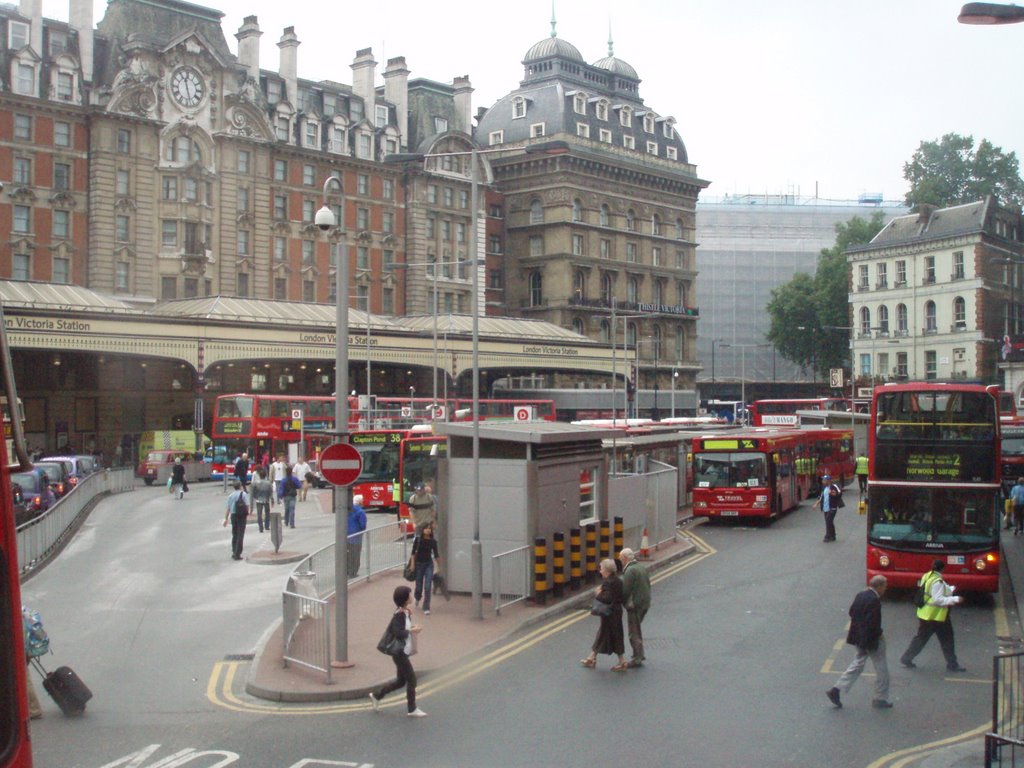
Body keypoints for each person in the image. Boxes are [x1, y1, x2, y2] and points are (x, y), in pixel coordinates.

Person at [827, 575, 892, 709]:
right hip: (871, 640)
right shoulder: (874, 600)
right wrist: (879, 635)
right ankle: (880, 698)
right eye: (885, 586)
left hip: (859, 637)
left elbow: (852, 612)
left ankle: (837, 689)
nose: (885, 589)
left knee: (857, 664)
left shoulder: (861, 595)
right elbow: (873, 622)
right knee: (882, 669)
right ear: (879, 587)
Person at [899, 560, 967, 673]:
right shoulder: (938, 581)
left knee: (921, 638)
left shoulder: (928, 576)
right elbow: (937, 599)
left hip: (926, 615)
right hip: (937, 616)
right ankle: (952, 665)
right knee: (947, 640)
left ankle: (907, 658)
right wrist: (955, 599)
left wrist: (949, 589)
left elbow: (929, 592)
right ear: (943, 569)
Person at [368, 585, 426, 717]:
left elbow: (404, 629)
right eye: (410, 594)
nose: (412, 596)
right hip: (399, 654)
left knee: (401, 681)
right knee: (412, 680)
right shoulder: (399, 615)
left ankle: (377, 695)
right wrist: (411, 630)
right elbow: (398, 632)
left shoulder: (405, 612)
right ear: (405, 598)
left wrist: (412, 627)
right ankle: (412, 709)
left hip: (402, 652)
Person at [580, 558, 628, 671]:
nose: (600, 571)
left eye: (601, 568)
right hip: (616, 611)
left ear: (607, 570)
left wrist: (598, 594)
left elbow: (607, 598)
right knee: (605, 634)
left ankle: (622, 661)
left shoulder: (608, 582)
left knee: (613, 635)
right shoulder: (618, 580)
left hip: (609, 612)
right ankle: (592, 657)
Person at [618, 547, 651, 668]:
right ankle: (639, 654)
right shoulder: (641, 567)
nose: (620, 561)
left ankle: (637, 658)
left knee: (634, 632)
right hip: (644, 603)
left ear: (625, 558)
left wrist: (621, 602)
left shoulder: (630, 571)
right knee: (637, 628)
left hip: (635, 605)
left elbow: (626, 590)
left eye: (621, 559)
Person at [410, 523, 441, 614]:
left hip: (429, 564)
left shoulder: (433, 542)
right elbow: (413, 553)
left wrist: (439, 566)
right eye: (426, 528)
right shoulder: (418, 540)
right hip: (419, 564)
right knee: (419, 586)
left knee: (427, 586)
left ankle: (426, 607)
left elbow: (436, 555)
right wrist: (412, 565)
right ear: (422, 530)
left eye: (429, 529)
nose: (428, 530)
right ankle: (417, 597)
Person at [223, 481, 250, 560]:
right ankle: (237, 553)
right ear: (240, 486)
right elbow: (247, 505)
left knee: (234, 533)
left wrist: (226, 519)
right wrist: (247, 513)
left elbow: (228, 508)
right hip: (241, 515)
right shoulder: (244, 494)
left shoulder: (230, 496)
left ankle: (234, 550)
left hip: (233, 515)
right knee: (240, 534)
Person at [814, 473, 843, 542]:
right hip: (825, 508)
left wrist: (833, 493)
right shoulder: (824, 488)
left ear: (828, 481)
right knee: (829, 521)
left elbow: (839, 493)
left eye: (824, 480)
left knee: (828, 521)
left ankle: (827, 536)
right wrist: (816, 504)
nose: (822, 481)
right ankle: (833, 535)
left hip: (832, 507)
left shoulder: (833, 486)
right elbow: (821, 497)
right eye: (823, 480)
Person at [347, 493, 368, 578]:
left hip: (346, 536)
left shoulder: (348, 510)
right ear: (360, 502)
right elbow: (363, 525)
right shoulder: (360, 512)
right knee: (355, 555)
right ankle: (353, 572)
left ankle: (347, 571)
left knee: (348, 555)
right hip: (356, 537)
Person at [251, 466, 274, 533]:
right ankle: (267, 525)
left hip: (258, 500)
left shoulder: (256, 483)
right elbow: (271, 492)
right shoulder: (268, 483)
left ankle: (260, 527)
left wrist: (255, 498)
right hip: (266, 500)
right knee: (267, 513)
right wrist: (271, 500)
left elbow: (253, 492)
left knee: (259, 514)